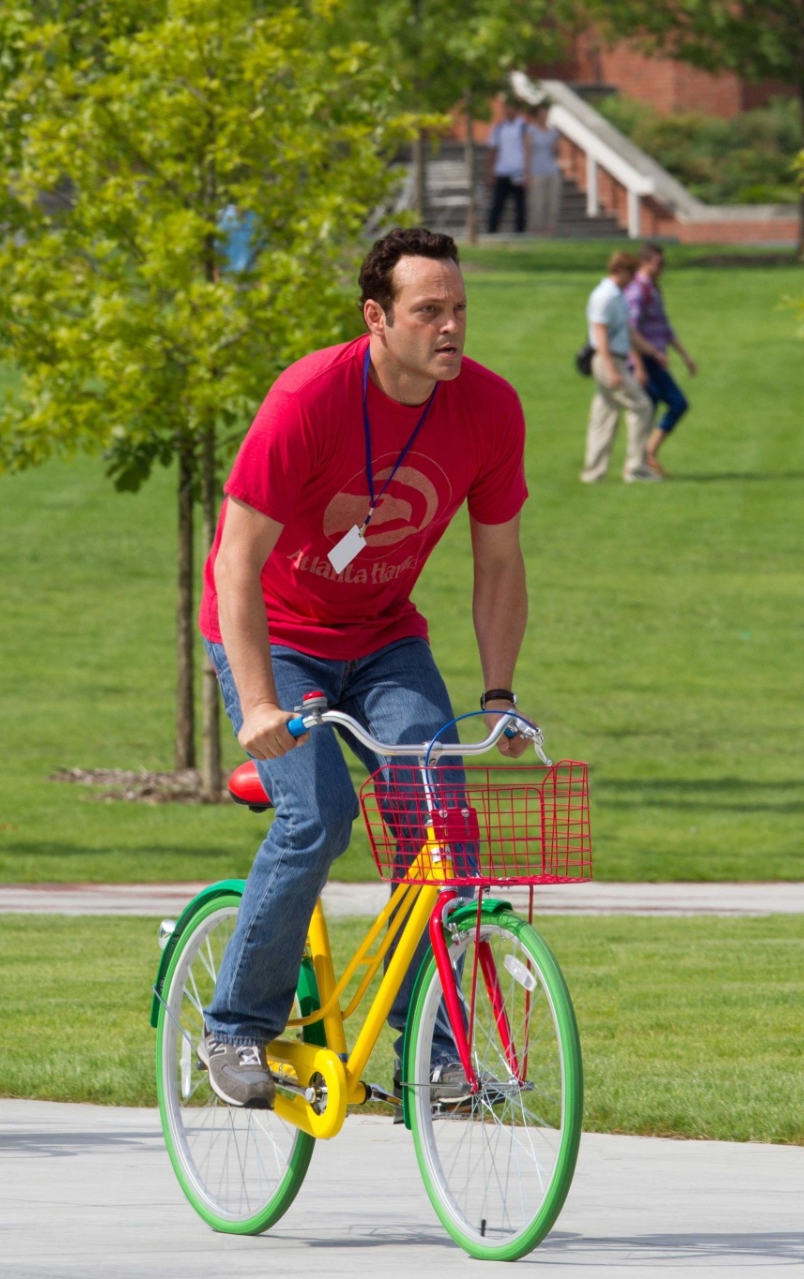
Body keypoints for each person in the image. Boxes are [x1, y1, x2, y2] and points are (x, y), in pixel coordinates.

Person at [197, 226, 531, 1108]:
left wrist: (499, 693)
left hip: (384, 637)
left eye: (459, 309)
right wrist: (260, 703)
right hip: (277, 633)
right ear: (377, 317)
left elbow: (499, 562)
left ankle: (430, 1049)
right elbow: (235, 560)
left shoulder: (490, 409)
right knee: (319, 816)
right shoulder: (309, 397)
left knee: (441, 829)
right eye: (430, 311)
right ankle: (234, 1026)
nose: (451, 327)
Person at [581, 250, 659, 484]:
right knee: (642, 406)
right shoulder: (605, 296)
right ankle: (636, 468)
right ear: (621, 270)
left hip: (614, 359)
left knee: (604, 416)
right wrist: (612, 370)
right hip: (608, 360)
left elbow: (628, 333)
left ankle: (593, 473)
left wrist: (651, 353)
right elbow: (601, 335)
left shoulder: (617, 295)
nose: (634, 278)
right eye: (632, 273)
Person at [625, 244, 699, 477]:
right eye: (658, 263)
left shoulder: (653, 289)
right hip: (647, 360)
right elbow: (631, 332)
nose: (661, 268)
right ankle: (647, 454)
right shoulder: (638, 292)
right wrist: (637, 365)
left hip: (656, 359)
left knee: (650, 411)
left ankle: (641, 461)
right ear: (644, 262)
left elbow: (665, 328)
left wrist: (685, 356)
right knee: (677, 403)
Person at [486, 97, 529, 235]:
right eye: (506, 107)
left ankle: (520, 232)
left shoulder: (523, 126)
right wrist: (490, 171)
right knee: (497, 205)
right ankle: (492, 231)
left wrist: (527, 172)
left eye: (510, 107)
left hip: (518, 171)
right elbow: (493, 150)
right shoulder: (498, 127)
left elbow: (528, 150)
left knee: (520, 205)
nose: (507, 110)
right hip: (502, 171)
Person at [524, 104, 562, 237]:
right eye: (542, 111)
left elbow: (558, 152)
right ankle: (536, 229)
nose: (544, 114)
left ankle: (550, 229)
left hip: (552, 170)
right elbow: (527, 153)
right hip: (536, 171)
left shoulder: (553, 132)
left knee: (552, 202)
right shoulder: (531, 130)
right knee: (537, 202)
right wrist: (527, 173)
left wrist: (556, 148)